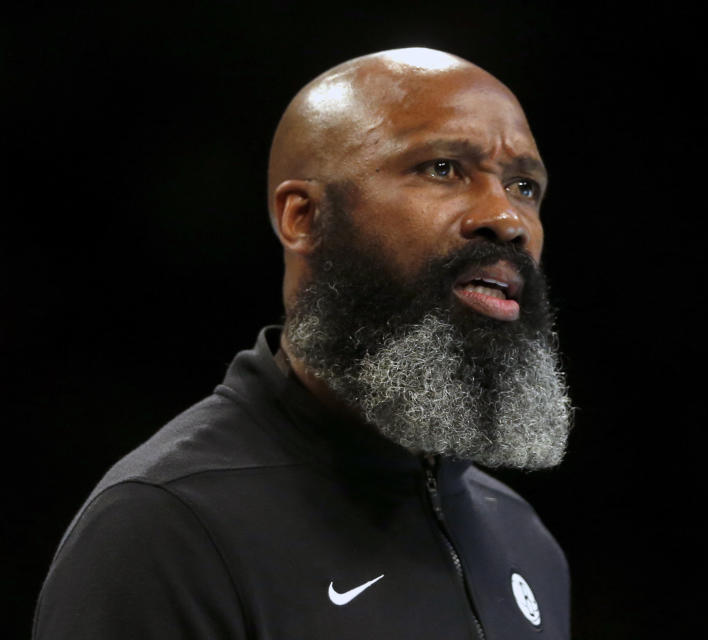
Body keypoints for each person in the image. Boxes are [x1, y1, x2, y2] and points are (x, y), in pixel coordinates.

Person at [33, 47, 573, 639]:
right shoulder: (169, 526)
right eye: (443, 168)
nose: (507, 218)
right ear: (303, 217)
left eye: (524, 186)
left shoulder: (522, 538)